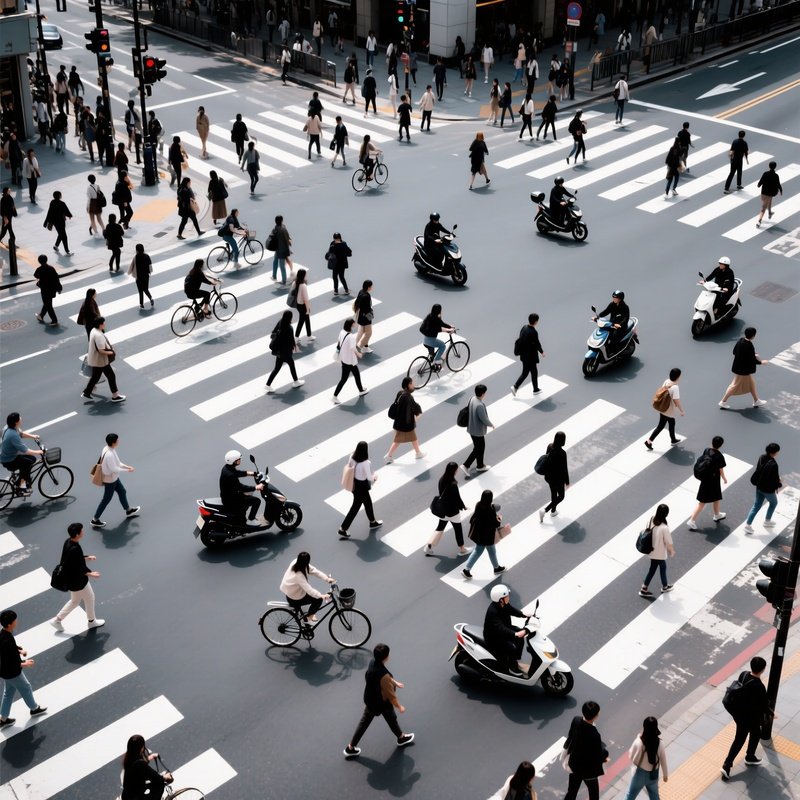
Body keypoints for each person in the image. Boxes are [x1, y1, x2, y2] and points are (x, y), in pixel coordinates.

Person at [344, 642, 414, 758]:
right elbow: (390, 694)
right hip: (382, 702)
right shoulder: (384, 676)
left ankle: (350, 747)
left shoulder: (373, 663)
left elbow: (382, 677)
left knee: (364, 723)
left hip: (370, 699)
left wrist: (395, 682)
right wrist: (399, 706)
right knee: (392, 719)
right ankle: (401, 738)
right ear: (386, 657)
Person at [721, 656, 770, 780]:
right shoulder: (759, 686)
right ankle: (727, 765)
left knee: (756, 732)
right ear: (763, 669)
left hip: (738, 713)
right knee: (740, 739)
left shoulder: (743, 674)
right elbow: (763, 705)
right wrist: (772, 714)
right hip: (747, 717)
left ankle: (750, 756)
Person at [50, 522, 106, 629]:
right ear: (77, 534)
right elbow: (77, 567)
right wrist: (90, 573)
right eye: (81, 530)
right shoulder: (75, 548)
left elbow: (72, 559)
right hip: (78, 581)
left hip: (71, 580)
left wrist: (86, 557)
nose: (83, 532)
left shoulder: (68, 541)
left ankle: (57, 620)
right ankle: (91, 621)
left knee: (75, 601)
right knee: (90, 598)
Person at [0, 609, 47, 728]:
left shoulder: (3, 634)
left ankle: (3, 718)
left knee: (8, 693)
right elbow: (11, 661)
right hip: (12, 672)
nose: (17, 621)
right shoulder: (7, 639)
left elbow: (8, 651)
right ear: (10, 624)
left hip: (5, 672)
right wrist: (25, 663)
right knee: (26, 687)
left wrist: (19, 650)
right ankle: (34, 708)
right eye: (15, 620)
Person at [562, 701, 609, 800]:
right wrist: (606, 755)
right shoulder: (594, 735)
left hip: (574, 765)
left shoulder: (576, 720)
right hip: (588, 771)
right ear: (596, 716)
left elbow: (570, 737)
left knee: (571, 792)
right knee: (594, 795)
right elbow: (598, 754)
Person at [91, 434, 140, 527]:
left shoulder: (108, 448)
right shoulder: (109, 454)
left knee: (122, 491)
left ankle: (128, 510)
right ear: (114, 442)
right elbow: (114, 468)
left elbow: (117, 462)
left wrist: (127, 466)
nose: (119, 441)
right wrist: (127, 470)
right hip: (110, 480)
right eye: (117, 440)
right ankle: (95, 519)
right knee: (106, 499)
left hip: (113, 478)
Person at [424, 461, 471, 557]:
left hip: (443, 510)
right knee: (458, 530)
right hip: (453, 512)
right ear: (454, 471)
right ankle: (462, 549)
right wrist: (463, 506)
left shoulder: (441, 479)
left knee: (440, 528)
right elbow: (457, 498)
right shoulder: (453, 484)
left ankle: (428, 547)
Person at [338, 441, 381, 536]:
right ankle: (343, 528)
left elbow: (350, 465)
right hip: (362, 486)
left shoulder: (352, 456)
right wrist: (375, 476)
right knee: (355, 507)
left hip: (355, 484)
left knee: (368, 503)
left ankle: (372, 522)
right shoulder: (366, 463)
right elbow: (370, 477)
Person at [719, 327, 769, 409]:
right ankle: (723, 401)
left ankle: (756, 401)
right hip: (743, 370)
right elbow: (750, 360)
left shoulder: (740, 340)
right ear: (753, 336)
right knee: (734, 385)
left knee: (751, 383)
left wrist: (752, 354)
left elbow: (734, 352)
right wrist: (761, 362)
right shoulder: (749, 345)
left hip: (738, 368)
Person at [462, 489, 506, 578]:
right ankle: (466, 570)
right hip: (486, 536)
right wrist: (499, 519)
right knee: (484, 551)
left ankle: (496, 567)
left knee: (486, 551)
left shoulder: (478, 504)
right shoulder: (490, 510)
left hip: (478, 534)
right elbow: (495, 524)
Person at [482, 584, 525, 674]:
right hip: (494, 637)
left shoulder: (503, 604)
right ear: (501, 599)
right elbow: (501, 629)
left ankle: (514, 660)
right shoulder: (493, 611)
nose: (508, 597)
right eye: (506, 596)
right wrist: (514, 634)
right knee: (511, 648)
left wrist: (524, 614)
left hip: (503, 630)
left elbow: (511, 610)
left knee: (521, 638)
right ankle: (512, 668)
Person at [687, 435, 727, 530]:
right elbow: (720, 469)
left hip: (706, 479)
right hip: (712, 480)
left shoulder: (706, 450)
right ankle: (692, 520)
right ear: (721, 445)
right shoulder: (720, 456)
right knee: (702, 502)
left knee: (716, 497)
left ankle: (717, 514)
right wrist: (724, 478)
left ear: (712, 443)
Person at [280, 552, 335, 621]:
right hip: (294, 598)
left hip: (290, 591)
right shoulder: (298, 576)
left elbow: (314, 571)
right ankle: (310, 616)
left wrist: (326, 578)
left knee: (316, 597)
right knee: (318, 599)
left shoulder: (295, 561)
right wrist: (321, 596)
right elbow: (309, 590)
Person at [82, 317, 125, 402]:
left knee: (96, 377)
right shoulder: (98, 335)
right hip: (101, 361)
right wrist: (111, 353)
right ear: (100, 324)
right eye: (103, 323)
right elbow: (101, 350)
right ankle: (115, 396)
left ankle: (87, 392)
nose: (104, 324)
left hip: (96, 360)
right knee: (111, 376)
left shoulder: (93, 330)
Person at [624, 717, 668, 799]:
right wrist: (665, 775)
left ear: (644, 727)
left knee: (630, 794)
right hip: (653, 775)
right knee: (654, 795)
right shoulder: (660, 743)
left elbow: (630, 756)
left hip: (639, 775)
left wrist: (638, 737)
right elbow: (663, 762)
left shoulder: (639, 742)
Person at [744, 443, 782, 534]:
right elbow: (774, 480)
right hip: (767, 489)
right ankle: (767, 521)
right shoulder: (773, 464)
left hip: (759, 486)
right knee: (774, 503)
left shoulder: (762, 457)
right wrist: (779, 484)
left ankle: (748, 525)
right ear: (774, 453)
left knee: (756, 505)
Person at [0, 413, 42, 495]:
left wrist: (33, 436)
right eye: (19, 418)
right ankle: (19, 485)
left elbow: (21, 434)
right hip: (9, 460)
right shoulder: (12, 435)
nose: (21, 418)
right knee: (28, 463)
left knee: (32, 459)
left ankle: (24, 478)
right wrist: (39, 452)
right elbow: (25, 450)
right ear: (16, 422)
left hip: (7, 455)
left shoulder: (8, 427)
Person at [638, 504, 675, 597]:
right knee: (661, 568)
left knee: (654, 568)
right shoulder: (664, 527)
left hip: (651, 550)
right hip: (659, 552)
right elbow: (668, 542)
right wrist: (672, 551)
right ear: (666, 514)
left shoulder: (651, 519)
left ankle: (645, 588)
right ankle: (664, 587)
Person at [121, 735, 173, 800]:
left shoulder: (129, 759)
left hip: (128, 795)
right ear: (141, 748)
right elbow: (155, 777)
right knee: (159, 784)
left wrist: (149, 758)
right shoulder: (140, 764)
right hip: (136, 797)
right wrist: (165, 777)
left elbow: (138, 765)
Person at [219, 449, 264, 525]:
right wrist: (256, 487)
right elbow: (241, 487)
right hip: (232, 500)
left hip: (228, 495)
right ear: (234, 461)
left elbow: (237, 473)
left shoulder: (227, 468)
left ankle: (242, 513)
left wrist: (252, 473)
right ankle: (251, 520)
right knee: (256, 501)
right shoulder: (230, 475)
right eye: (239, 459)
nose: (240, 460)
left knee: (248, 494)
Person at [385, 376, 424, 462]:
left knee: (412, 438)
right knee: (398, 441)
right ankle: (389, 456)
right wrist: (417, 414)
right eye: (412, 383)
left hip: (399, 423)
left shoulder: (400, 393)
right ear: (408, 385)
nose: (413, 385)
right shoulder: (408, 397)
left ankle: (418, 453)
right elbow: (413, 407)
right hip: (404, 425)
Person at [644, 368, 684, 449]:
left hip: (663, 407)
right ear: (677, 377)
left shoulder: (667, 381)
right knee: (671, 423)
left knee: (662, 425)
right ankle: (673, 440)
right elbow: (676, 400)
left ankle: (649, 441)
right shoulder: (675, 387)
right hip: (669, 409)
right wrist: (681, 410)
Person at [266, 310, 304, 392]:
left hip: (278, 350)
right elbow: (291, 341)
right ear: (290, 318)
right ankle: (296, 381)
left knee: (277, 368)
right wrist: (294, 347)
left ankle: (268, 385)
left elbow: (273, 332)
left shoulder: (280, 322)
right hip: (285, 352)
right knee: (291, 365)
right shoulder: (289, 328)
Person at [462, 384, 494, 476]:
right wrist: (491, 424)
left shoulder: (472, 399)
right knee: (478, 448)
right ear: (483, 393)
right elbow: (483, 418)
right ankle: (466, 465)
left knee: (480, 447)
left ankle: (480, 465)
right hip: (477, 431)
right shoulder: (479, 405)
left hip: (472, 428)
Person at [538, 430, 569, 522]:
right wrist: (567, 481)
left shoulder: (550, 446)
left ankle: (553, 511)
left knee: (553, 493)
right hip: (558, 479)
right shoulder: (562, 453)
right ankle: (545, 510)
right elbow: (564, 469)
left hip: (549, 476)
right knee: (561, 496)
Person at [512, 313, 544, 395]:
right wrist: (542, 352)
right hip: (531, 357)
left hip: (524, 355)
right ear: (536, 321)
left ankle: (517, 387)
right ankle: (534, 389)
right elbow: (537, 343)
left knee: (527, 372)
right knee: (531, 372)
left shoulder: (524, 327)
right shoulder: (533, 332)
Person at [33, 254, 62, 326]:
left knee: (48, 305)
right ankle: (41, 316)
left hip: (44, 290)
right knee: (48, 303)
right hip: (52, 289)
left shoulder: (39, 269)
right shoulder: (51, 268)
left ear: (39, 261)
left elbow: (36, 275)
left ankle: (54, 320)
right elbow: (56, 278)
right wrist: (59, 288)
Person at [756, 161, 782, 227]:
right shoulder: (776, 176)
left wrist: (759, 185)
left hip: (763, 193)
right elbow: (778, 184)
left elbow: (760, 182)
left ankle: (770, 213)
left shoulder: (765, 173)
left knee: (768, 201)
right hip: (770, 193)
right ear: (775, 167)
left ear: (769, 166)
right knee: (763, 209)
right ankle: (759, 221)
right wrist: (781, 190)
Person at [128, 244, 154, 308]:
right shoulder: (147, 256)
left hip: (138, 277)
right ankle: (150, 298)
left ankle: (141, 304)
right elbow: (150, 266)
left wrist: (129, 272)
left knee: (140, 291)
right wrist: (150, 272)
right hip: (146, 276)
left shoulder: (136, 257)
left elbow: (132, 266)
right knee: (145, 289)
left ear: (136, 250)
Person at [292, 268, 314, 341]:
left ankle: (309, 335)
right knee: (302, 320)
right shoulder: (303, 286)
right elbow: (306, 299)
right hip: (303, 305)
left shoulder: (295, 282)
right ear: (303, 275)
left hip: (298, 304)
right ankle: (296, 337)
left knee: (306, 319)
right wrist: (308, 309)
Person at [354, 279, 374, 353]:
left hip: (360, 316)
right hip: (365, 317)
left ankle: (365, 347)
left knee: (361, 331)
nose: (372, 287)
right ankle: (359, 347)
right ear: (369, 287)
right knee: (368, 333)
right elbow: (367, 309)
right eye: (371, 286)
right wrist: (370, 317)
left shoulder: (361, 291)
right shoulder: (367, 296)